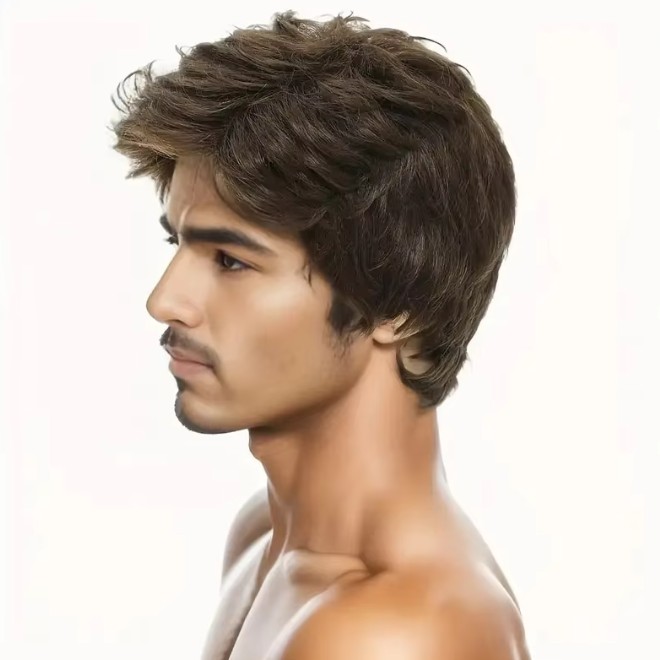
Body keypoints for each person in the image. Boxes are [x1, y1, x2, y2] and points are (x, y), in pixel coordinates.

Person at [110, 10, 530, 660]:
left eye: (231, 261)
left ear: (399, 306)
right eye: (178, 244)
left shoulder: (396, 632)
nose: (164, 301)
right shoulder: (262, 536)